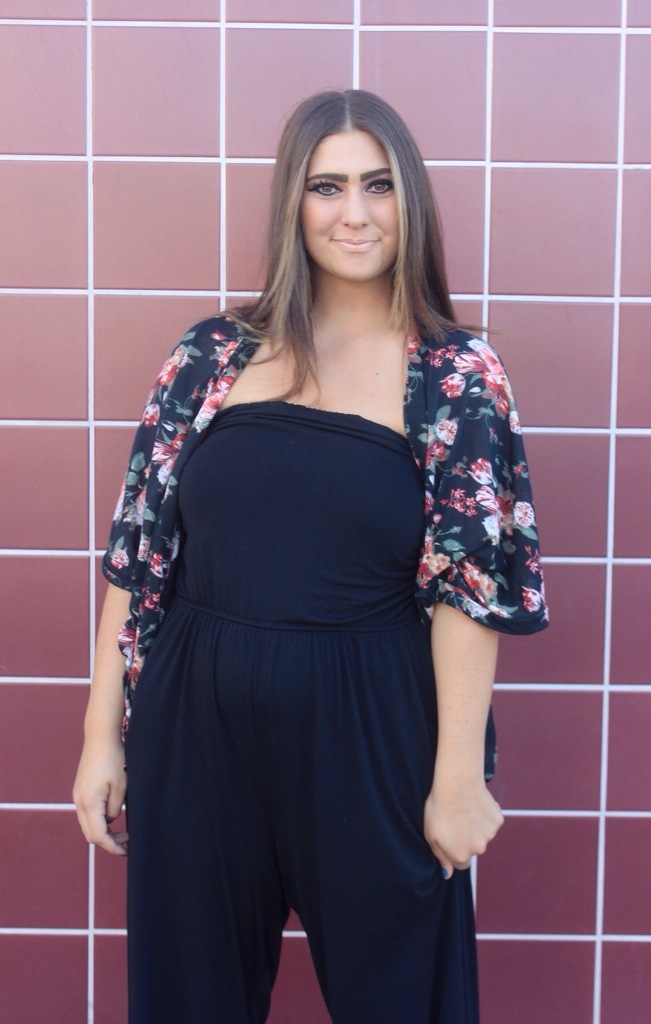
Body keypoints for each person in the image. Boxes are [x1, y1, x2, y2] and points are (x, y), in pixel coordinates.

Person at [74, 89, 548, 1024]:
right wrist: (103, 736)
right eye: (326, 187)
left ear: (410, 199)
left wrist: (457, 777)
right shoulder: (211, 354)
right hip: (196, 721)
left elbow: (469, 588)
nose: (354, 213)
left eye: (379, 185)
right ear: (292, 202)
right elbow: (138, 557)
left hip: (370, 725)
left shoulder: (454, 372)